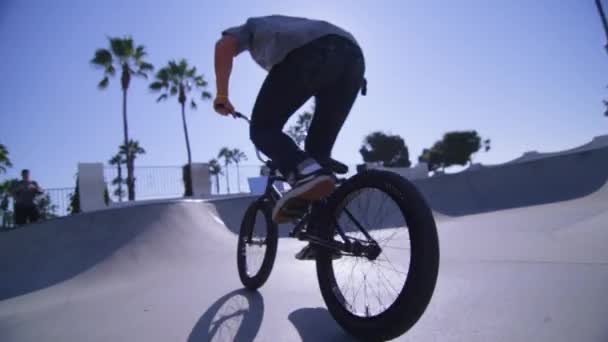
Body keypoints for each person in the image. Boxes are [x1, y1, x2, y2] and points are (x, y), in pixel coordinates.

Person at [214, 15, 365, 223]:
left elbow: (224, 45)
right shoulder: (290, 29)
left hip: (316, 51)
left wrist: (222, 95)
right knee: (317, 153)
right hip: (353, 61)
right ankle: (322, 234)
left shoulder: (252, 27)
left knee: (263, 128)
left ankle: (304, 172)